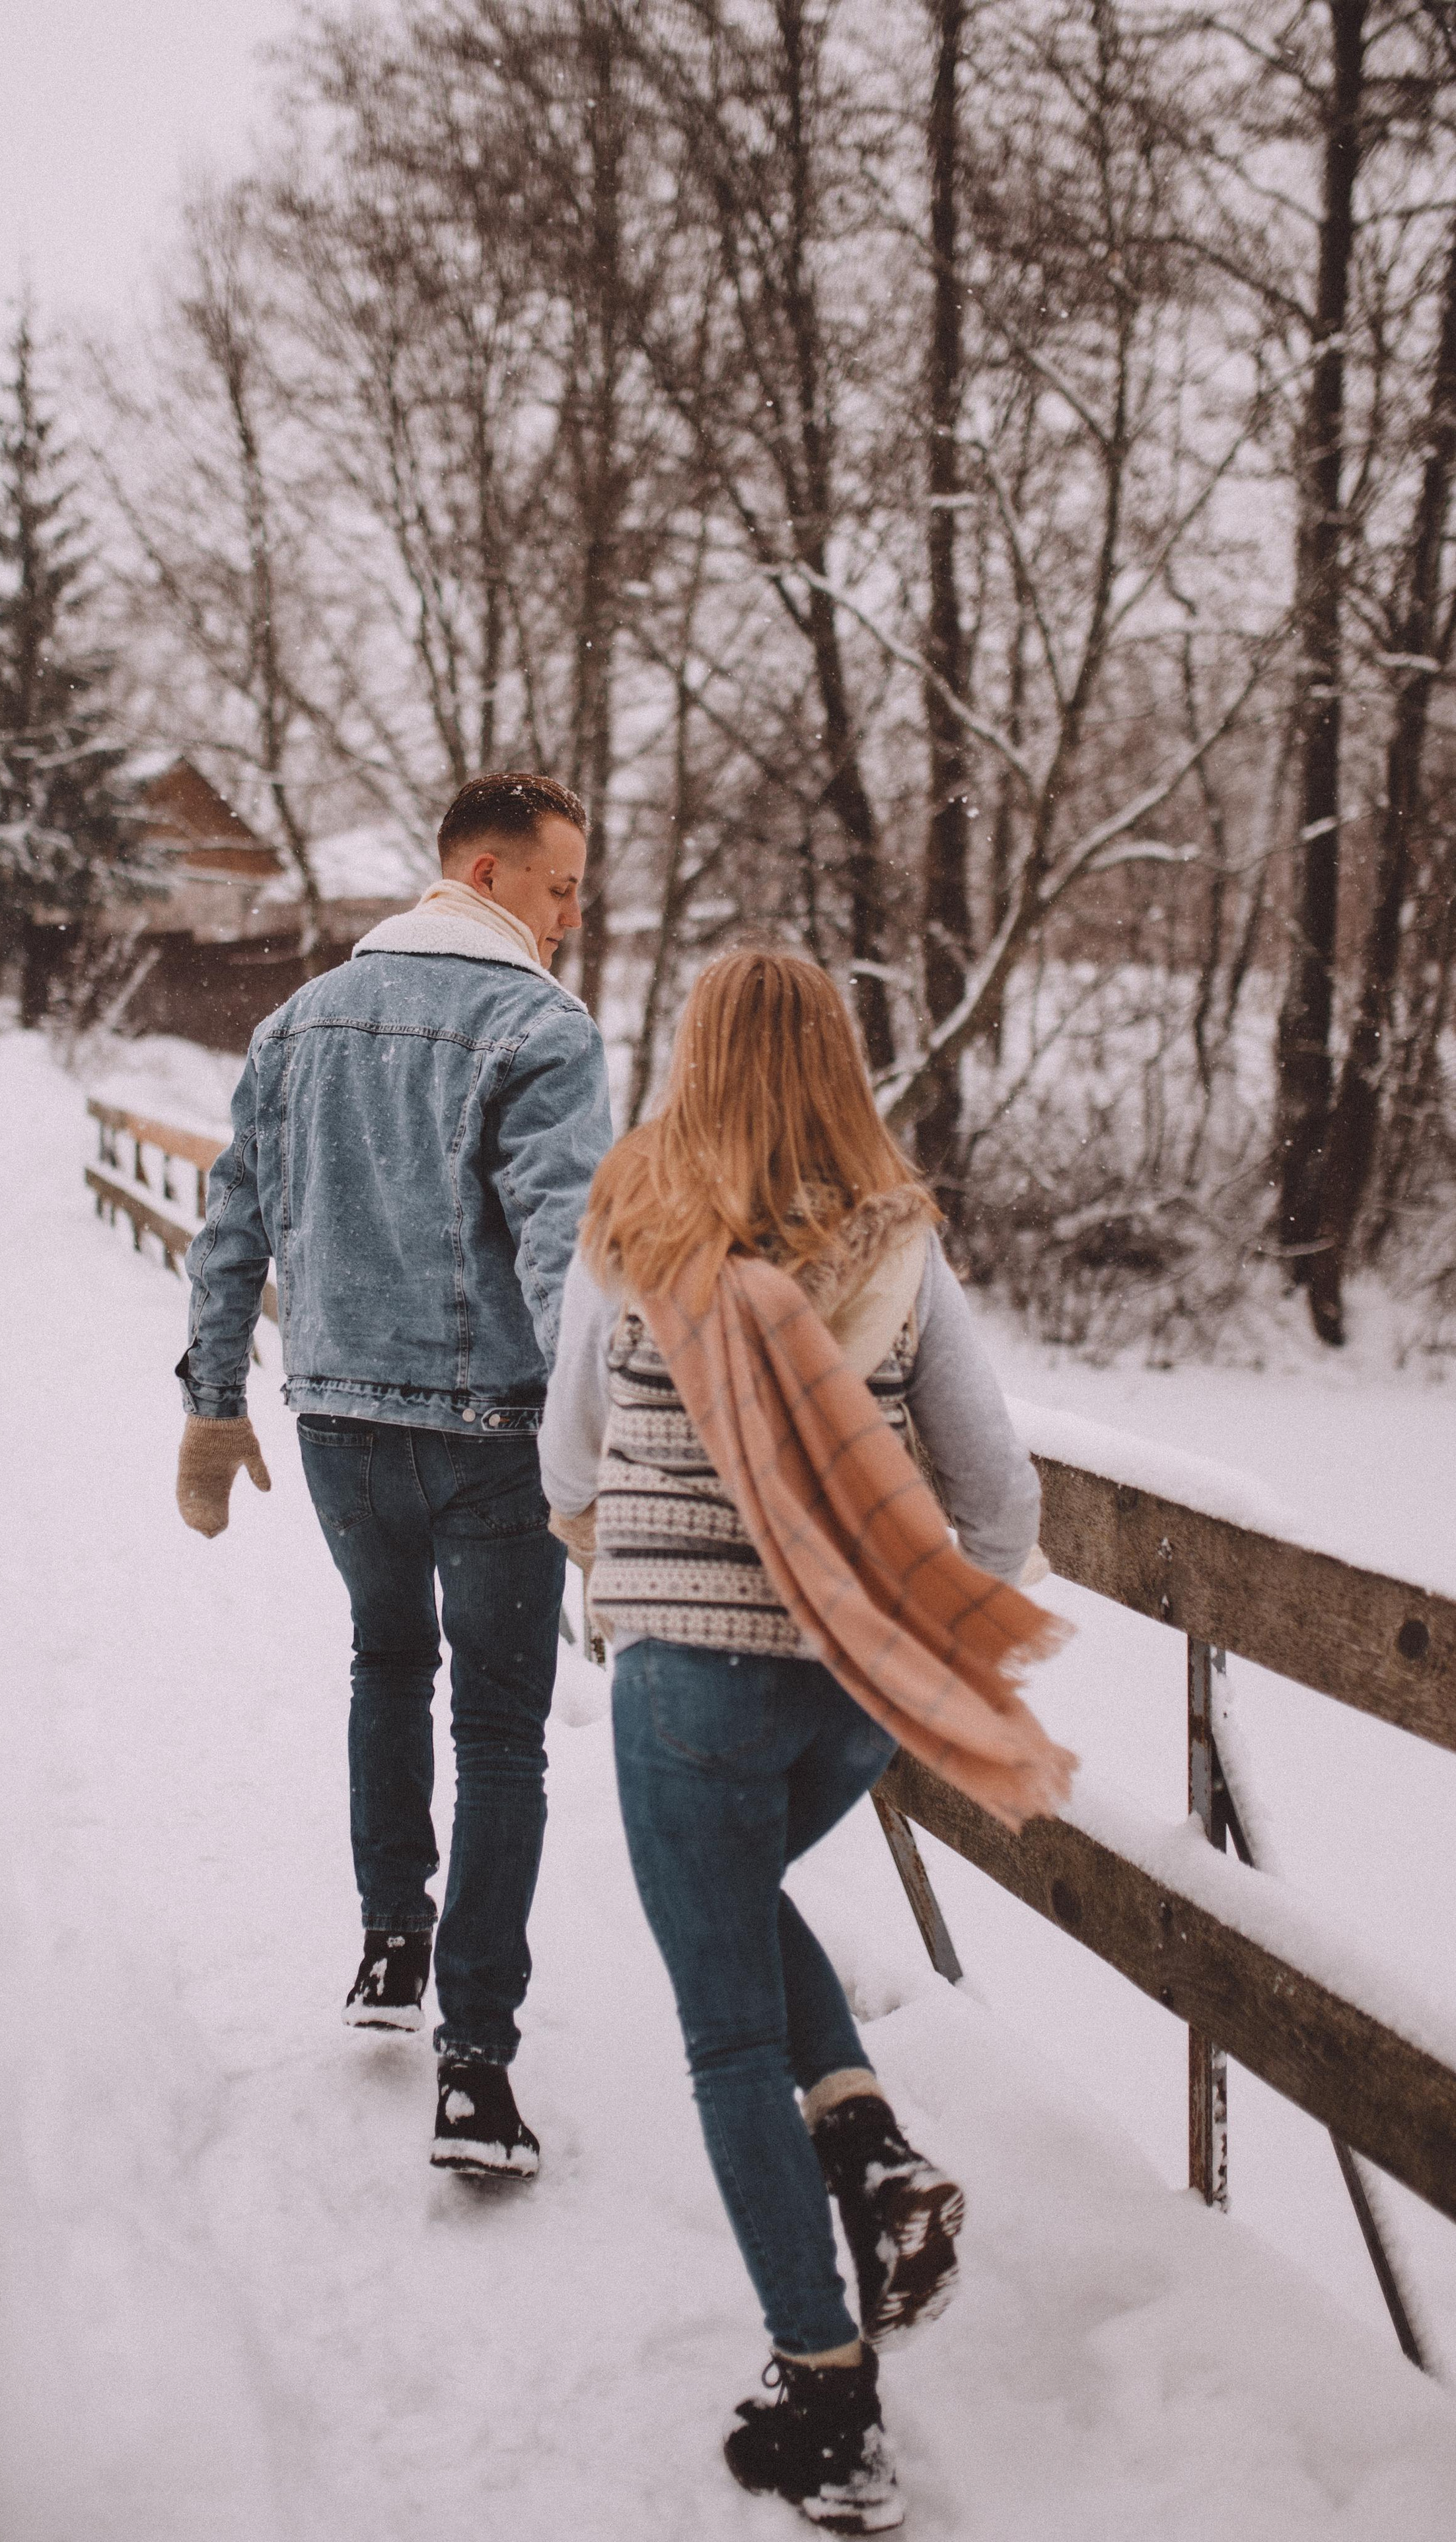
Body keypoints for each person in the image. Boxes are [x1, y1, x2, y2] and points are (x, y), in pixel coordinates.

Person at [539, 950, 1074, 2535]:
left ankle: (824, 2396)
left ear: (694, 1055)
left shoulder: (633, 1221)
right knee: (735, 1909)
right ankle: (874, 2149)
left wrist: (611, 1535)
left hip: (684, 1682)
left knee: (722, 2027)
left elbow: (567, 1437)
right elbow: (999, 1503)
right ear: (836, 1061)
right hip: (847, 1688)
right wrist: (888, 1584)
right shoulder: (897, 1237)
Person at [174, 772, 612, 2181]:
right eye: (558, 887)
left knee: (383, 1661)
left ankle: (388, 1943)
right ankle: (474, 2063)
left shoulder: (299, 1021)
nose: (572, 915)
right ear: (484, 875)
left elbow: (228, 1220)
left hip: (340, 1426)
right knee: (500, 1730)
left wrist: (210, 1402)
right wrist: (602, 1456)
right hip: (494, 1436)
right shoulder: (541, 1027)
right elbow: (564, 1253)